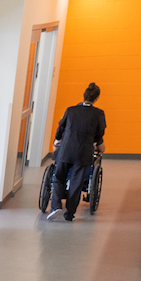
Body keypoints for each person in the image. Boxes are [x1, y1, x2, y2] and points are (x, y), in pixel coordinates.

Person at [47, 82, 107, 222]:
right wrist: (98, 144)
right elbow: (99, 134)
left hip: (66, 150)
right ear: (96, 98)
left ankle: (56, 206)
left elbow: (60, 128)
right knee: (76, 183)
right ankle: (70, 214)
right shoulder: (98, 114)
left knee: (59, 177)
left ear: (83, 95)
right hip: (83, 153)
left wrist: (57, 140)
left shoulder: (70, 110)